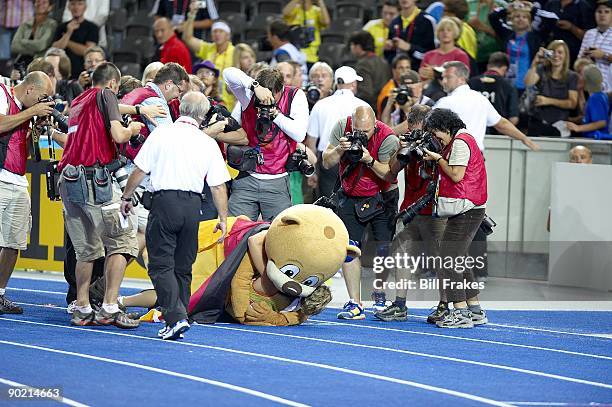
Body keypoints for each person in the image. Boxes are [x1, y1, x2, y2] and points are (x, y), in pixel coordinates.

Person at [120, 91, 230, 340]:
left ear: (179, 108)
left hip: (164, 203)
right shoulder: (207, 142)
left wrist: (126, 197)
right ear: (203, 116)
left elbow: (139, 170)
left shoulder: (162, 133)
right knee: (183, 266)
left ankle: (176, 317)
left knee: (160, 265)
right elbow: (218, 186)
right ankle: (182, 316)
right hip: (193, 206)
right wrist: (223, 219)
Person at [56, 62, 144, 328]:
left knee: (86, 250)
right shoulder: (106, 95)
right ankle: (109, 306)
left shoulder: (79, 102)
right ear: (114, 85)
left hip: (69, 181)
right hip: (95, 180)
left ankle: (82, 308)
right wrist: (133, 129)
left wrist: (139, 108)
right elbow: (118, 135)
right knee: (124, 241)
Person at [322, 106, 400, 320]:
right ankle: (355, 303)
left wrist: (368, 160)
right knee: (349, 249)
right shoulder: (342, 126)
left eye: (365, 132)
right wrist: (339, 149)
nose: (360, 135)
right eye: (357, 130)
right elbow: (326, 161)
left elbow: (389, 174)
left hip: (382, 197)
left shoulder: (387, 138)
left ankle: (380, 297)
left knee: (383, 250)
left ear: (375, 125)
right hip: (351, 195)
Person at [374, 104, 448, 322]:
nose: (419, 133)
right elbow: (392, 171)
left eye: (423, 130)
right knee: (401, 253)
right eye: (414, 128)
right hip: (410, 208)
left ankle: (445, 305)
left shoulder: (441, 144)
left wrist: (428, 149)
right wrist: (403, 148)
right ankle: (399, 304)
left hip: (435, 209)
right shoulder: (406, 141)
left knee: (440, 259)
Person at [420, 108, 488, 328]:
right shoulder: (461, 139)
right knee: (458, 258)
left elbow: (456, 175)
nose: (434, 138)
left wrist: (438, 159)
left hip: (466, 208)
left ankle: (460, 313)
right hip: (469, 208)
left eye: (435, 132)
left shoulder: (459, 142)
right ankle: (475, 310)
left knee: (449, 260)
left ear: (445, 127)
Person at [0, 71, 55, 314]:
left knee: (14, 243)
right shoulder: (2, 93)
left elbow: (28, 151)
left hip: (19, 180)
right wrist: (32, 113)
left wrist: (38, 127)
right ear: (30, 89)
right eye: (42, 97)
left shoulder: (26, 111)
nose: (43, 103)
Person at [223, 66, 309, 221]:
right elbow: (227, 73)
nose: (264, 100)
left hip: (277, 181)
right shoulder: (249, 94)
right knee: (235, 231)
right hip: (246, 177)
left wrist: (275, 114)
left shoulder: (294, 96)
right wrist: (254, 86)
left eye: (270, 96)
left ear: (279, 90)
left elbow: (299, 134)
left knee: (276, 237)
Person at [436, 61, 540, 150]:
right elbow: (501, 124)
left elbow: (427, 127)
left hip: (453, 159)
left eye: (448, 77)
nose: (443, 81)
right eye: (443, 77)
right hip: (476, 161)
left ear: (462, 79)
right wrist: (524, 138)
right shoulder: (480, 99)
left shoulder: (445, 102)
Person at [306, 66, 370, 200]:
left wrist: (311, 172)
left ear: (337, 83)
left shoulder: (321, 105)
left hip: (328, 161)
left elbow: (311, 142)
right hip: (355, 159)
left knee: (329, 205)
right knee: (353, 204)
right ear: (353, 84)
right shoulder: (363, 107)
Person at [524, 40, 579, 137]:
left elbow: (572, 103)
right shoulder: (541, 69)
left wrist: (548, 101)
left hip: (559, 125)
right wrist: (534, 63)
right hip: (538, 122)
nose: (556, 55)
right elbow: (528, 83)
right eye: (553, 52)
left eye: (560, 52)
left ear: (566, 55)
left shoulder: (572, 76)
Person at [183, 9, 235, 109]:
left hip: (229, 103)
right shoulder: (208, 48)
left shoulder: (235, 52)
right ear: (211, 35)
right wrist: (191, 15)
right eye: (215, 31)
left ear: (228, 35)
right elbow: (187, 38)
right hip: (209, 99)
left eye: (221, 31)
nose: (217, 34)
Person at [488, 1, 542, 94]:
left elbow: (552, 19)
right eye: (517, 16)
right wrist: (508, 9)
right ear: (511, 20)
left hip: (527, 84)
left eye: (524, 17)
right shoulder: (506, 34)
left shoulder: (535, 37)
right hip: (506, 84)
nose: (520, 19)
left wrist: (533, 9)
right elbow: (492, 17)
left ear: (530, 21)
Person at [468, 52, 520, 126]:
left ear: (488, 66)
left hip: (472, 131)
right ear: (505, 68)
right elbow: (513, 118)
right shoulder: (509, 86)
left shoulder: (471, 83)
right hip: (496, 134)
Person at [51, 0, 98, 80]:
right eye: (73, 4)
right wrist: (69, 32)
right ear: (69, 7)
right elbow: (55, 49)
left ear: (85, 7)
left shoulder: (92, 27)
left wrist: (67, 41)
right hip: (62, 72)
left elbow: (88, 51)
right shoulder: (61, 27)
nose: (76, 7)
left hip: (83, 72)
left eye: (79, 4)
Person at [384, 0, 436, 70]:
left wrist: (410, 48)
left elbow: (433, 55)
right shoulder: (394, 22)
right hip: (397, 73)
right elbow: (389, 55)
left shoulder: (428, 20)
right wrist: (388, 48)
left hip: (419, 73)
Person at [349, 31, 392, 113]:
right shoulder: (383, 61)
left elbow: (365, 93)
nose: (351, 48)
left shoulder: (363, 64)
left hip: (372, 110)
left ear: (358, 47)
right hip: (385, 107)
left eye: (352, 45)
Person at [566, 64, 611, 139]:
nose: (578, 77)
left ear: (587, 79)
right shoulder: (598, 96)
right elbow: (587, 115)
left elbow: (601, 122)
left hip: (596, 140)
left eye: (581, 75)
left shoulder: (596, 98)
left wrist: (578, 128)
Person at [282, 0, 331, 68]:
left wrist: (320, 1)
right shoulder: (295, 9)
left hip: (312, 55)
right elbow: (285, 13)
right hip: (295, 55)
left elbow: (326, 22)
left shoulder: (316, 11)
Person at [578, 0, 612, 91]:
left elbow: (604, 55)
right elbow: (578, 62)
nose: (602, 15)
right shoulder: (589, 33)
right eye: (599, 12)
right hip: (589, 88)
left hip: (609, 89)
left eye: (607, 12)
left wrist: (603, 55)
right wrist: (584, 58)